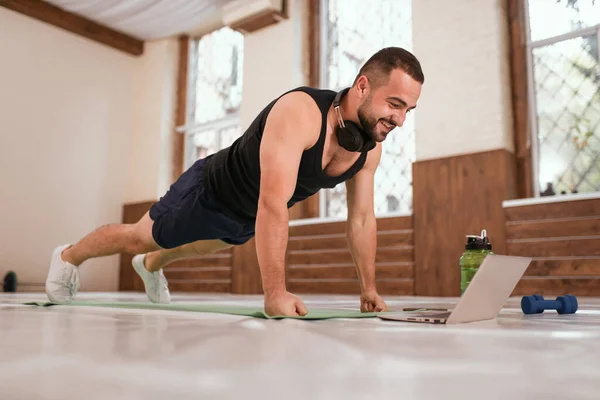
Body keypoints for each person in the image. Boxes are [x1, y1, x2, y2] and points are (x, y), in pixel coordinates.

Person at [45, 46, 424, 317]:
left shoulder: (369, 148)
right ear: (362, 86)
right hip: (209, 192)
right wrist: (274, 293)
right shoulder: (300, 113)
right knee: (138, 236)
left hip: (243, 220)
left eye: (408, 109)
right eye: (394, 104)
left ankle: (150, 265)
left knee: (191, 249)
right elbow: (273, 203)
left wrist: (368, 289)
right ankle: (67, 256)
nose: (401, 120)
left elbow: (360, 219)